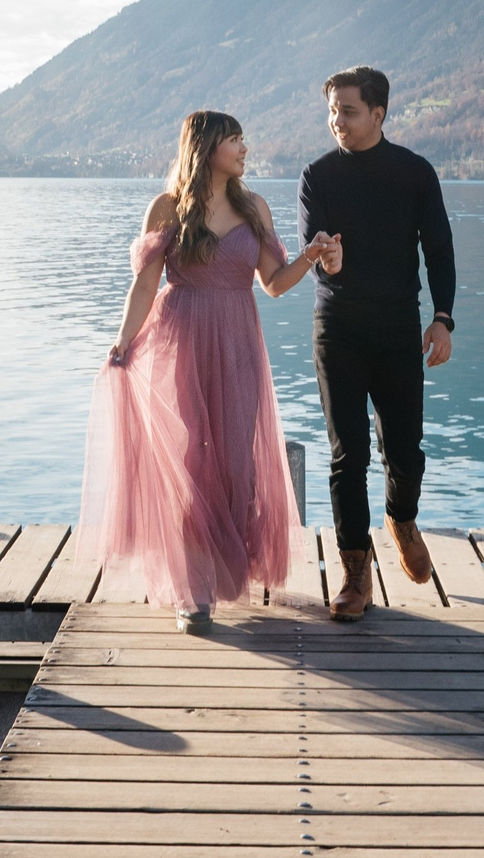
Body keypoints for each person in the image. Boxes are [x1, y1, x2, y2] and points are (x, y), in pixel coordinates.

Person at [80, 109, 337, 632]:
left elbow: (273, 283)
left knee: (237, 464)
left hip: (239, 342)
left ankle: (224, 572)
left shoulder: (254, 206)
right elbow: (147, 286)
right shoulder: (167, 207)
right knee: (190, 465)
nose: (245, 148)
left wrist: (309, 255)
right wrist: (122, 341)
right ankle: (192, 595)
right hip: (180, 342)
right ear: (207, 147)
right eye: (236, 140)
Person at [299, 66, 456, 622]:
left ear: (379, 114)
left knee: (405, 449)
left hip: (396, 329)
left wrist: (442, 320)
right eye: (332, 111)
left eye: (347, 110)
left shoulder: (414, 173)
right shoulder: (317, 175)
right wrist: (328, 257)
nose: (336, 121)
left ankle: (402, 517)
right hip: (337, 328)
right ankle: (355, 570)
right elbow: (314, 244)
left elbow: (439, 249)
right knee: (348, 455)